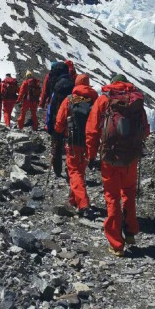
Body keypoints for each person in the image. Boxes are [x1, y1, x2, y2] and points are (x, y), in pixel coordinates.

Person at [86, 73, 150, 256]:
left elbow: (91, 131)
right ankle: (130, 232)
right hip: (131, 158)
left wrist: (91, 155)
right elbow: (145, 130)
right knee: (128, 192)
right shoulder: (135, 100)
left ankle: (116, 244)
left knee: (112, 196)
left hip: (110, 157)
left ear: (113, 84)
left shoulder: (104, 100)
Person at [54, 74, 97, 217]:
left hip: (72, 142)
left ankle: (83, 204)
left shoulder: (70, 100)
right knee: (80, 170)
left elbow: (59, 122)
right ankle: (74, 199)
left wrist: (58, 133)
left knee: (74, 172)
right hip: (89, 142)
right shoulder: (94, 100)